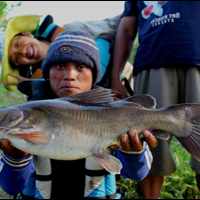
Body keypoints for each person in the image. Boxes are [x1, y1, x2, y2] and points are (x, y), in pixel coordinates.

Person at [0, 29, 158, 199]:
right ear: (47, 74)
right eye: (60, 66)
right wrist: (15, 158)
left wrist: (133, 152)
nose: (70, 76)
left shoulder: (117, 114)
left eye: (80, 67)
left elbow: (137, 174)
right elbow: (11, 187)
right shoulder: (30, 115)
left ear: (94, 76)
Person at [110, 1, 200, 199]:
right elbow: (126, 30)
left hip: (198, 58)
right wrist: (115, 75)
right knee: (145, 144)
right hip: (152, 63)